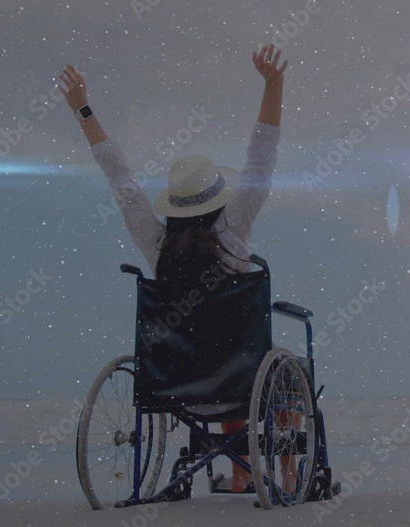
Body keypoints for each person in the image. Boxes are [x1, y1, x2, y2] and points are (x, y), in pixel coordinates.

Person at [59, 44, 288, 494]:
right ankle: (268, 472)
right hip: (239, 384)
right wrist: (274, 84)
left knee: (215, 346)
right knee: (256, 356)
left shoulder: (155, 242)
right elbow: (262, 156)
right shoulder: (237, 228)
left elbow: (119, 176)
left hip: (174, 389)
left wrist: (83, 109)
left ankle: (240, 473)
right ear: (218, 197)